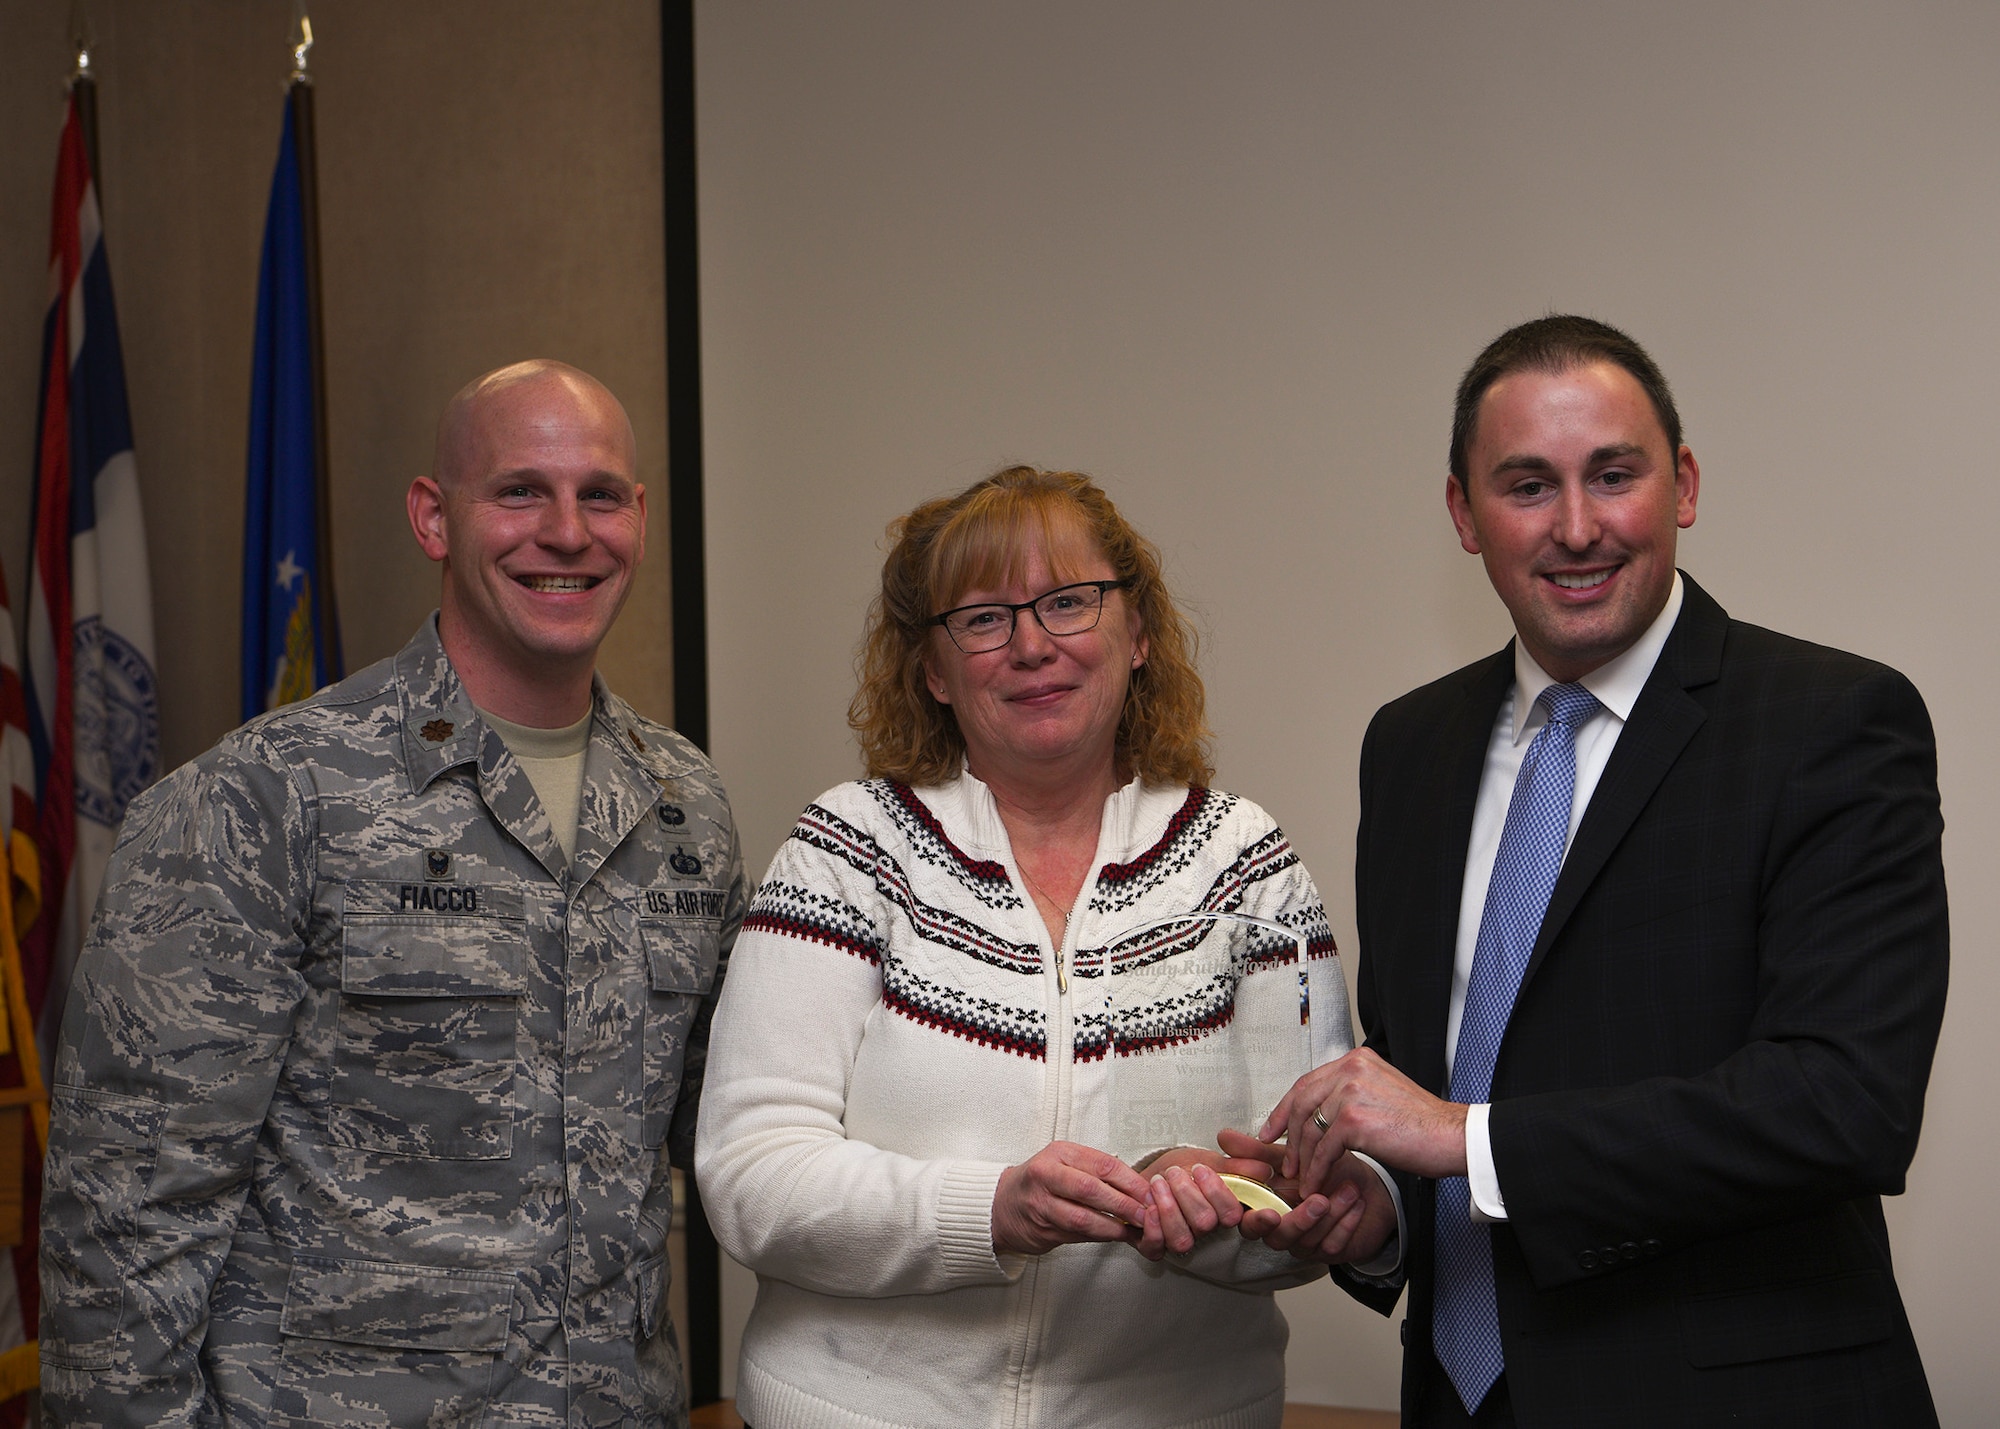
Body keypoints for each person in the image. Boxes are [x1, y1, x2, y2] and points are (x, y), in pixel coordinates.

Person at [1256, 316, 1947, 1427]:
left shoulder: (1831, 722)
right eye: (1527, 485)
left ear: (1683, 485)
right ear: (1462, 514)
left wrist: (1462, 1139)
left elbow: (1841, 1104)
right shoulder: (1409, 745)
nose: (1576, 528)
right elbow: (1426, 1072)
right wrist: (1373, 1207)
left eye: (1613, 475)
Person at [40, 360, 744, 1427]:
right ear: (433, 517)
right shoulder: (269, 794)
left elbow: (737, 1130)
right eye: (519, 491)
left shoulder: (685, 806)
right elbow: (125, 1217)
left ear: (639, 519)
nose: (567, 532)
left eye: (600, 495)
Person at [695, 466, 1395, 1429]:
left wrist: (1226, 1207)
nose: (1031, 645)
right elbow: (751, 1176)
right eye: (983, 618)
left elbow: (1308, 1193)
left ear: (1138, 634)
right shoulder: (847, 852)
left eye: (1069, 602)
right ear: (933, 671)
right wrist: (993, 1208)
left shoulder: (1248, 867)